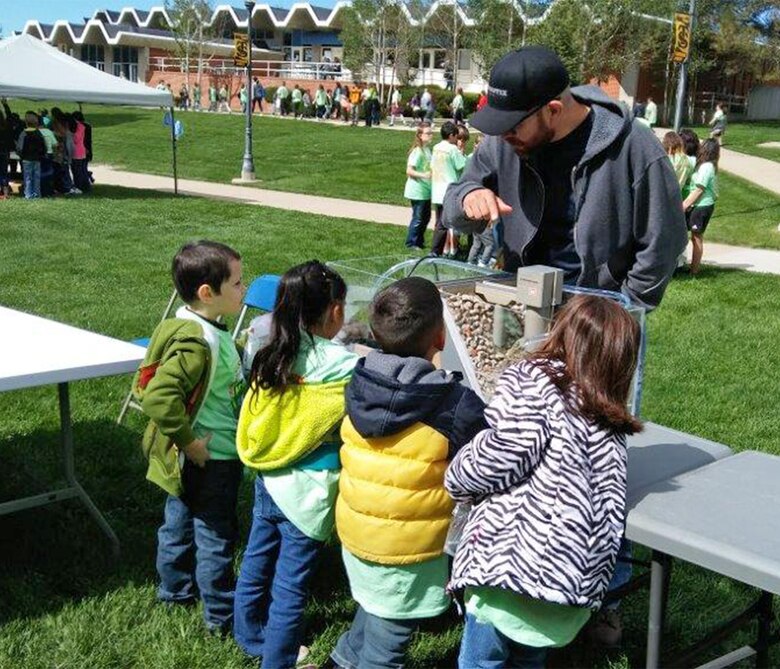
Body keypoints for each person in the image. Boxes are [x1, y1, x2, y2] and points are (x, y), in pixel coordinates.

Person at [446, 294, 642, 669]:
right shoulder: (612, 420)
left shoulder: (535, 381)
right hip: (568, 587)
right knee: (529, 659)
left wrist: (457, 475)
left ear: (561, 332)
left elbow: (503, 453)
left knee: (481, 662)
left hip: (509, 576)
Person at [443, 46, 686, 311]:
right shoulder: (503, 142)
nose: (502, 136)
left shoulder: (633, 146)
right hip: (519, 307)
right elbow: (452, 206)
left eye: (512, 127)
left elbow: (664, 240)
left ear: (554, 110)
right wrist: (468, 197)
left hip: (594, 319)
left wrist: (625, 309)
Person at [330, 277, 486, 669]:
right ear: (440, 337)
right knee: (387, 649)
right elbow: (486, 456)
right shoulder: (453, 404)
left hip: (358, 530)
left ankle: (342, 660)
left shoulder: (359, 379)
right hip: (407, 548)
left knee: (373, 605)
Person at [233, 261, 357, 669]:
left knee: (256, 556)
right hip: (307, 491)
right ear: (335, 310)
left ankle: (248, 632)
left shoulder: (272, 352)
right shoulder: (342, 365)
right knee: (290, 585)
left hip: (267, 479)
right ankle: (279, 659)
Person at [133, 240, 247, 635]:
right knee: (214, 535)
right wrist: (191, 442)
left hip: (190, 457)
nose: (243, 289)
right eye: (236, 283)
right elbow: (160, 398)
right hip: (210, 456)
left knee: (177, 523)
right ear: (207, 293)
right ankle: (220, 616)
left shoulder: (192, 324)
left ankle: (175, 591)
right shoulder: (198, 343)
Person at [682, 139, 719, 275]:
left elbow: (699, 189)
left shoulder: (707, 167)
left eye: (702, 147)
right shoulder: (704, 165)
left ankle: (694, 270)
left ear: (706, 150)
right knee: (692, 236)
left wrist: (684, 205)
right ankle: (689, 265)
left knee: (696, 237)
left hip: (702, 206)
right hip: (697, 205)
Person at [431, 121, 467, 257]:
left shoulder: (436, 147)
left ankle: (439, 250)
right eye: (456, 137)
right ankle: (435, 251)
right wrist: (462, 153)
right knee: (444, 223)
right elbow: (461, 165)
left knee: (439, 221)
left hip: (437, 188)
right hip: (449, 190)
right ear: (451, 135)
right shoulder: (452, 149)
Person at [404, 123, 434, 249]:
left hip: (426, 190)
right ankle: (411, 242)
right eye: (428, 133)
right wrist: (424, 175)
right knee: (418, 218)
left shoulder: (427, 150)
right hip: (417, 190)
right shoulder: (417, 151)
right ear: (420, 136)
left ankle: (419, 242)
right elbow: (409, 171)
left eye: (431, 133)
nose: (431, 135)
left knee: (426, 217)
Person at [16, 111, 46, 199]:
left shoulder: (23, 133)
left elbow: (19, 148)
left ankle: (28, 194)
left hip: (26, 159)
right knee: (36, 177)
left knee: (27, 177)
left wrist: (21, 155)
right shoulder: (38, 133)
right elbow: (43, 146)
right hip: (37, 158)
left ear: (26, 122)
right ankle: (37, 194)